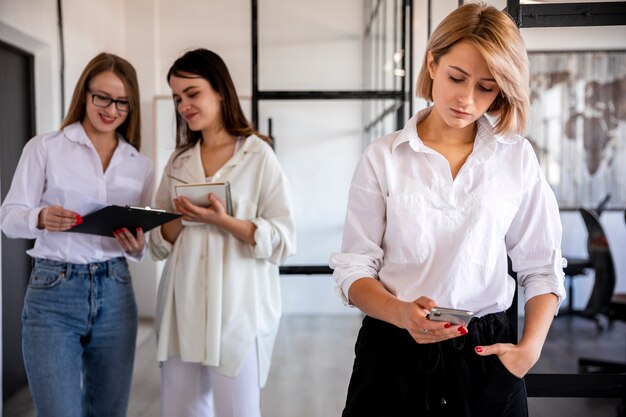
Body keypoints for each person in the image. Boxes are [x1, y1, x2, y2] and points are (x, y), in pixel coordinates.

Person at [329, 3, 566, 417]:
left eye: (486, 88)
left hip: (485, 355)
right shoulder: (383, 157)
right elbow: (353, 270)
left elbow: (541, 266)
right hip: (393, 348)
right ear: (432, 62)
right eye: (457, 77)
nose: (467, 99)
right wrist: (401, 313)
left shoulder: (516, 157)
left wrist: (529, 350)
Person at [0, 52, 153, 417]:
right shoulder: (45, 148)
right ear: (84, 93)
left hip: (116, 289)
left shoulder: (139, 164)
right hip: (54, 292)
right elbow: (8, 218)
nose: (111, 109)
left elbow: (140, 231)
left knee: (109, 412)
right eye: (102, 97)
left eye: (122, 103)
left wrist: (136, 246)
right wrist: (41, 217)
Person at [149, 48, 296, 417]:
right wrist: (184, 217)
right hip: (181, 308)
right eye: (177, 98)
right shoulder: (178, 162)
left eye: (192, 93)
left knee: (238, 412)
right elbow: (156, 242)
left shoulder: (258, 156)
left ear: (219, 91)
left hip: (238, 312)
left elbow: (284, 240)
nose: (183, 105)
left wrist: (223, 221)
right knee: (181, 411)